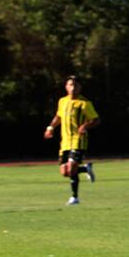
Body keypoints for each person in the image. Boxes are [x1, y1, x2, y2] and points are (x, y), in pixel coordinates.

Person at [43, 75, 99, 205]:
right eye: (70, 85)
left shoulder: (84, 103)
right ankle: (85, 169)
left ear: (80, 87)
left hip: (78, 140)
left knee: (72, 167)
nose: (73, 88)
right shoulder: (62, 101)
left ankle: (74, 197)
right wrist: (50, 127)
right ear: (66, 87)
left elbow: (96, 120)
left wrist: (85, 126)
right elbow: (58, 116)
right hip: (65, 142)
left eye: (76, 85)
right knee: (65, 172)